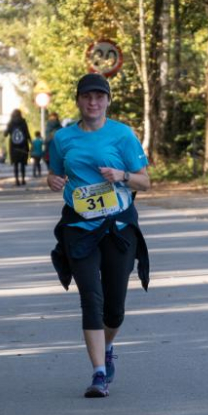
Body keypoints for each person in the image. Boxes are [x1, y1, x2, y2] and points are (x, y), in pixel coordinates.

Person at [48, 73, 150, 398]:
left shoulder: (122, 135)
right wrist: (52, 181)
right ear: (78, 100)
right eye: (87, 97)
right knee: (90, 299)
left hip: (117, 226)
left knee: (114, 309)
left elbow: (145, 182)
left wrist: (122, 175)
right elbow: (55, 173)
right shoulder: (63, 138)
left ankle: (106, 349)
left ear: (108, 100)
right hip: (79, 227)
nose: (93, 103)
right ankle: (99, 373)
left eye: (99, 97)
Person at [4, 109, 32, 186]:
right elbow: (27, 133)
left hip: (14, 147)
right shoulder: (23, 122)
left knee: (15, 165)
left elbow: (5, 134)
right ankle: (23, 179)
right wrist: (31, 142)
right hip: (23, 146)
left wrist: (7, 129)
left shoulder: (10, 123)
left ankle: (17, 180)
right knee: (22, 164)